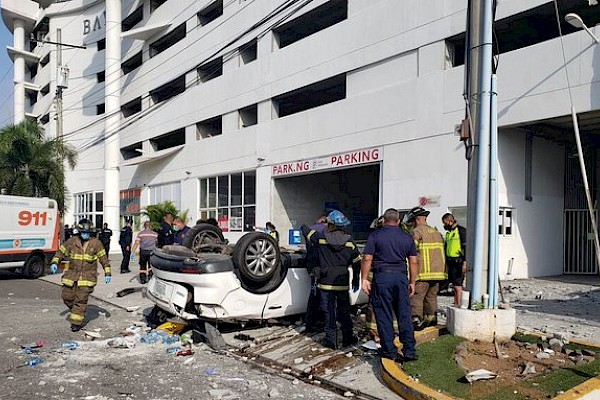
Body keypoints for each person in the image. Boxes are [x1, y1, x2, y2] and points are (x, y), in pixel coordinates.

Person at [361, 208, 418, 363]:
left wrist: (364, 278)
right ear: (398, 221)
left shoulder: (375, 236)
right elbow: (413, 261)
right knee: (404, 315)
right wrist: (412, 281)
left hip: (382, 277)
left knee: (383, 315)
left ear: (383, 220)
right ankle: (409, 351)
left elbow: (367, 258)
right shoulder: (407, 237)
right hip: (400, 278)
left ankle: (389, 351)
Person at [300, 210, 361, 350]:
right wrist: (356, 280)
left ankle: (331, 340)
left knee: (329, 312)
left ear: (329, 223)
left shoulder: (321, 238)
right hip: (342, 282)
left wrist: (319, 222)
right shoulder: (350, 241)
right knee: (344, 311)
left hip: (325, 282)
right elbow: (357, 262)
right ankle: (348, 338)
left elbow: (304, 229)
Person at [49, 219, 111, 332]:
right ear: (79, 231)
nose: (85, 234)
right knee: (66, 297)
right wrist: (54, 262)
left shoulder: (96, 244)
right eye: (83, 232)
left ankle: (76, 323)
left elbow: (104, 259)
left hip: (87, 278)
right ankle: (77, 310)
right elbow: (60, 252)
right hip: (71, 276)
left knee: (80, 300)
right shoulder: (72, 241)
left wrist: (107, 272)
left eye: (87, 232)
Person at [405, 206, 447, 330]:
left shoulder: (416, 232)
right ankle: (431, 321)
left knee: (416, 298)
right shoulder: (436, 233)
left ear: (417, 220)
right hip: (438, 273)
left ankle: (416, 321)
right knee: (431, 298)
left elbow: (411, 253)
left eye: (412, 221)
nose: (412, 224)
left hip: (423, 273)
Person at [302, 215, 327, 333]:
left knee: (314, 293)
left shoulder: (311, 229)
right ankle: (317, 322)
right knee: (321, 296)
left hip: (311, 266)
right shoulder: (325, 230)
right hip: (321, 266)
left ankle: (311, 322)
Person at [442, 213, 467, 307]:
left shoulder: (461, 231)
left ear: (450, 221)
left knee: (458, 284)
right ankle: (456, 301)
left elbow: (466, 247)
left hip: (458, 261)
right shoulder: (449, 233)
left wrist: (465, 262)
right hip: (450, 261)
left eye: (445, 223)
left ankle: (458, 303)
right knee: (454, 284)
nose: (444, 225)